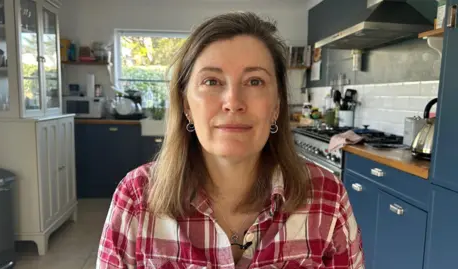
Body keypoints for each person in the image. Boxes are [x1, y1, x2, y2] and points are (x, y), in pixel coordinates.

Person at [97, 11, 364, 269]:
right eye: (212, 81)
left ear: (276, 105)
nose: (233, 102)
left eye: (255, 81)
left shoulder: (327, 199)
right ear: (186, 105)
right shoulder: (136, 198)